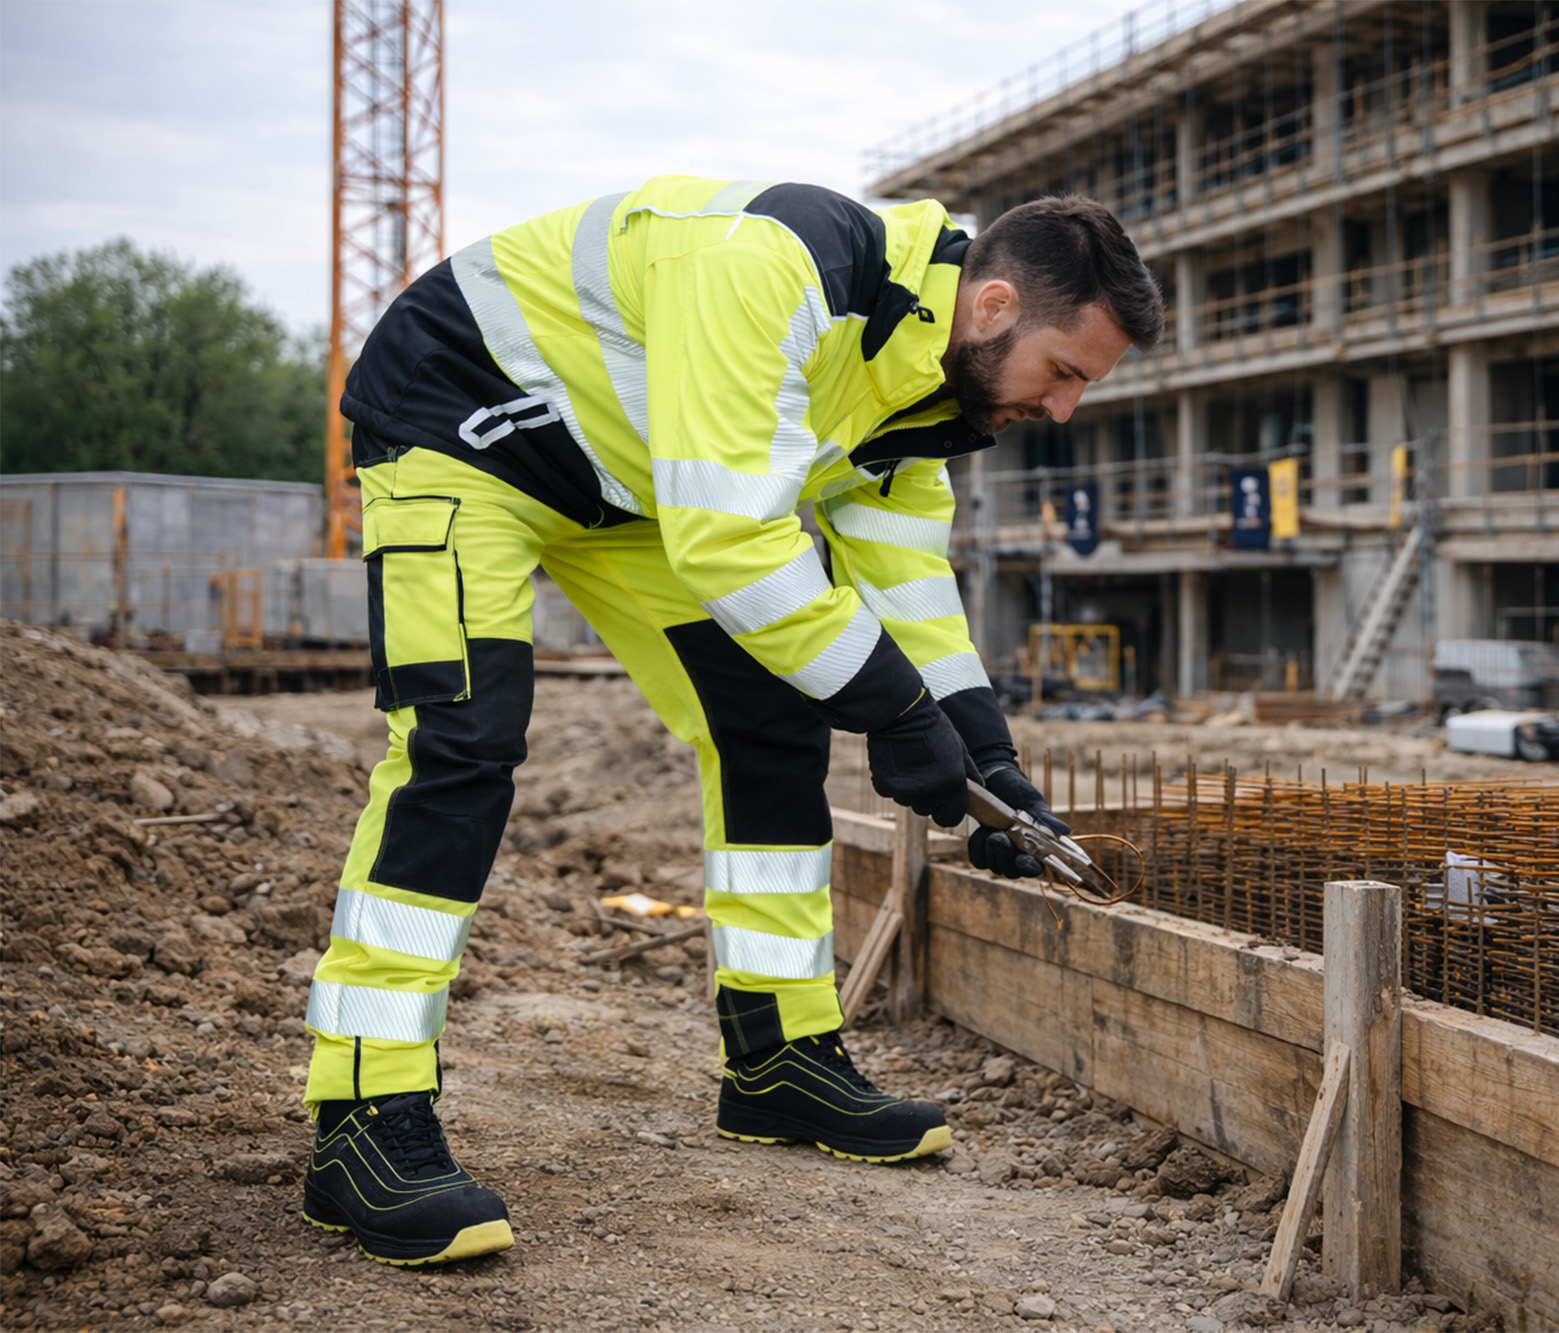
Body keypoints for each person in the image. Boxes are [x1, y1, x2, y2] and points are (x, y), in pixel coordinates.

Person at [296, 177, 1164, 1265]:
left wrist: (982, 746)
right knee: (460, 744)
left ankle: (778, 1057)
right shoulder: (779, 270)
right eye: (1065, 372)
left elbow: (902, 573)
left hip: (629, 483)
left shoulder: (928, 384)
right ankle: (364, 1113)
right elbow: (732, 544)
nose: (1064, 408)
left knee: (771, 718)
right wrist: (896, 711)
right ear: (994, 306)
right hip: (463, 418)